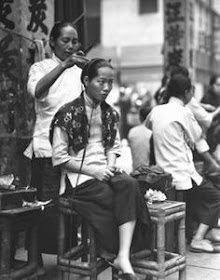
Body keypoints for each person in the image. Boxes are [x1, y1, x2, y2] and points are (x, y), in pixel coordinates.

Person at [50, 58, 152, 280]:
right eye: (101, 81)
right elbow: (59, 158)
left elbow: (113, 147)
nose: (106, 88)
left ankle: (123, 255)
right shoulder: (67, 113)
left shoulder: (110, 113)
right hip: (78, 179)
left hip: (103, 172)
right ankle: (115, 253)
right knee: (115, 197)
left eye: (110, 82)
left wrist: (111, 166)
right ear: (86, 80)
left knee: (130, 184)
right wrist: (93, 171)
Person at [24, 21, 89, 262]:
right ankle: (36, 262)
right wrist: (64, 65)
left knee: (73, 208)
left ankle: (69, 257)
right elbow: (38, 91)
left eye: (75, 41)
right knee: (45, 208)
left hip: (74, 152)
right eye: (66, 40)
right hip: (47, 150)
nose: (72, 46)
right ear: (52, 42)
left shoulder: (80, 72)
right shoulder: (40, 67)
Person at [146, 73, 220, 253]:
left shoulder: (157, 110)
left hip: (162, 173)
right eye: (191, 93)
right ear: (187, 92)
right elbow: (197, 137)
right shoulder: (184, 112)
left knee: (197, 198)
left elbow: (149, 125)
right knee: (215, 197)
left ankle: (201, 231)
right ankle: (198, 238)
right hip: (182, 173)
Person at [128, 105, 152, 170]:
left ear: (140, 117)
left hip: (135, 171)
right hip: (150, 174)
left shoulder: (132, 132)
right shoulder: (152, 134)